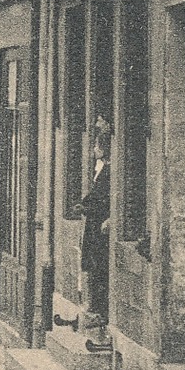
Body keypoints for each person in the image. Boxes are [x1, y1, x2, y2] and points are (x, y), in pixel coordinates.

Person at [77, 135, 112, 320]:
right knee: (93, 261)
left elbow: (105, 197)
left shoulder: (109, 169)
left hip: (100, 223)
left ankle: (100, 308)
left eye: (97, 146)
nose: (94, 150)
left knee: (99, 262)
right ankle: (95, 305)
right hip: (94, 221)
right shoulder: (101, 168)